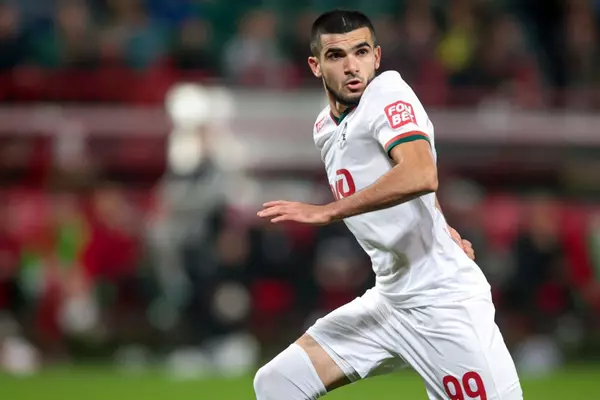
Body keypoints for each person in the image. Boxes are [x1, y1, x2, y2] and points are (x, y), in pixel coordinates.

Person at [255, 9, 522, 400]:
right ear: (315, 66)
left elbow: (420, 172)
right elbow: (404, 180)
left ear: (376, 57)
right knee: (277, 382)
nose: (352, 66)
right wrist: (440, 223)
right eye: (336, 55)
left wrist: (327, 211)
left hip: (442, 301)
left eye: (361, 52)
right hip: (390, 301)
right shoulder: (324, 128)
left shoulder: (387, 93)